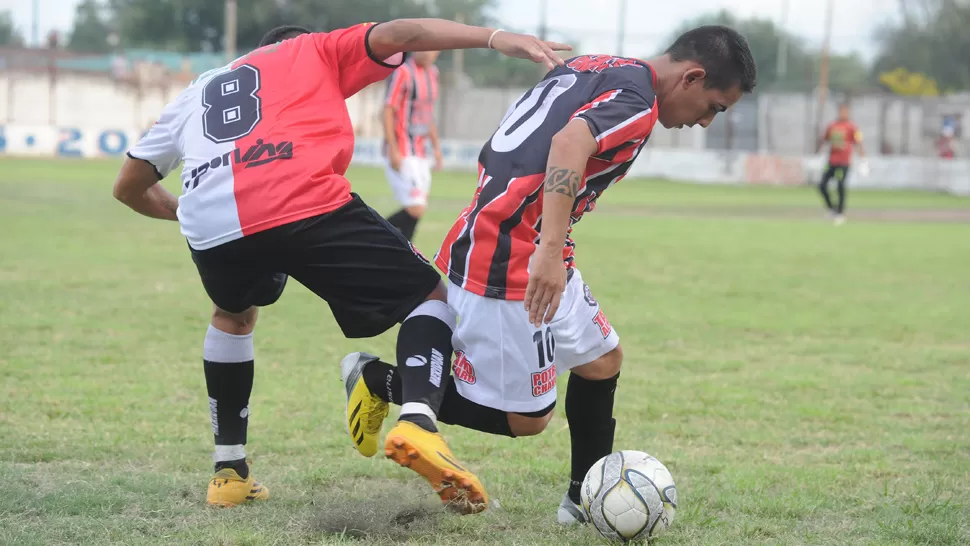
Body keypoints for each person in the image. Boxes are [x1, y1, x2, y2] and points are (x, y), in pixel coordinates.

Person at [110, 18, 570, 512]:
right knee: (428, 298)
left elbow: (128, 187)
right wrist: (497, 38)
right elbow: (405, 35)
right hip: (298, 197)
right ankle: (418, 421)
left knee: (233, 316)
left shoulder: (198, 91)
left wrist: (191, 210)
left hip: (211, 223)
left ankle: (229, 473)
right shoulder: (314, 49)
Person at [340, 24, 757, 522]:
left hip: (511, 228)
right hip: (518, 251)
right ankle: (382, 381)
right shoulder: (639, 104)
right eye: (715, 106)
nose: (707, 121)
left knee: (602, 359)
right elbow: (568, 142)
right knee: (528, 419)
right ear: (692, 77)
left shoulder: (600, 65)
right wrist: (549, 248)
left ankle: (582, 501)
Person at [382, 50, 443, 241]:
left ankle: (401, 253)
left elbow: (428, 113)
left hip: (421, 151)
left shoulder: (433, 73)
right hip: (403, 149)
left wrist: (436, 148)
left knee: (418, 208)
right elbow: (387, 110)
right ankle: (370, 236)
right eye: (424, 47)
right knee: (415, 208)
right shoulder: (403, 72)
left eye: (433, 48)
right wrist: (392, 147)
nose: (429, 52)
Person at [817, 103, 866, 225]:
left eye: (845, 111)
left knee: (840, 184)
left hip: (844, 162)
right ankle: (832, 209)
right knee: (822, 185)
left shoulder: (852, 127)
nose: (843, 114)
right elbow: (824, 140)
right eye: (841, 111)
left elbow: (859, 142)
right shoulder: (832, 126)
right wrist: (817, 153)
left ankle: (840, 213)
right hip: (831, 161)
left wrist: (863, 160)